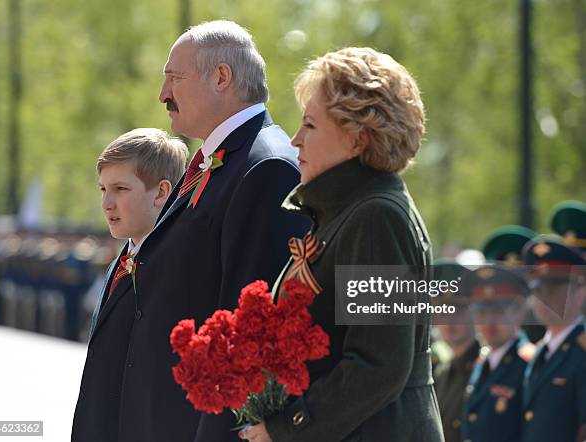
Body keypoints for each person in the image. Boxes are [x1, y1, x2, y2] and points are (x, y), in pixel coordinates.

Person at [106, 21, 309, 442]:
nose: (163, 94)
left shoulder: (265, 166)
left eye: (173, 77)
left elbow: (249, 336)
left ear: (221, 77)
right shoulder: (220, 159)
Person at [241, 47, 443, 442]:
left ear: (356, 140)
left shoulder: (376, 218)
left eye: (310, 126)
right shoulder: (350, 211)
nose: (295, 140)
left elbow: (378, 366)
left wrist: (286, 427)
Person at [71, 128, 187, 441]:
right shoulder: (123, 259)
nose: (107, 203)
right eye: (103, 189)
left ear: (162, 192)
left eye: (120, 188)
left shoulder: (176, 268)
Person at [521, 236, 586, 442]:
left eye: (554, 288)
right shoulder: (542, 351)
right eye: (538, 289)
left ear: (580, 291)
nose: (544, 297)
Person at [460, 265, 535, 442]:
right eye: (481, 312)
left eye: (499, 312)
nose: (489, 321)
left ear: (519, 311)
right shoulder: (481, 362)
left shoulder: (529, 363)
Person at [432, 260, 479, 442]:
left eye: (457, 310)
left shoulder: (486, 368)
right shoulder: (440, 372)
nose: (449, 320)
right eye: (442, 310)